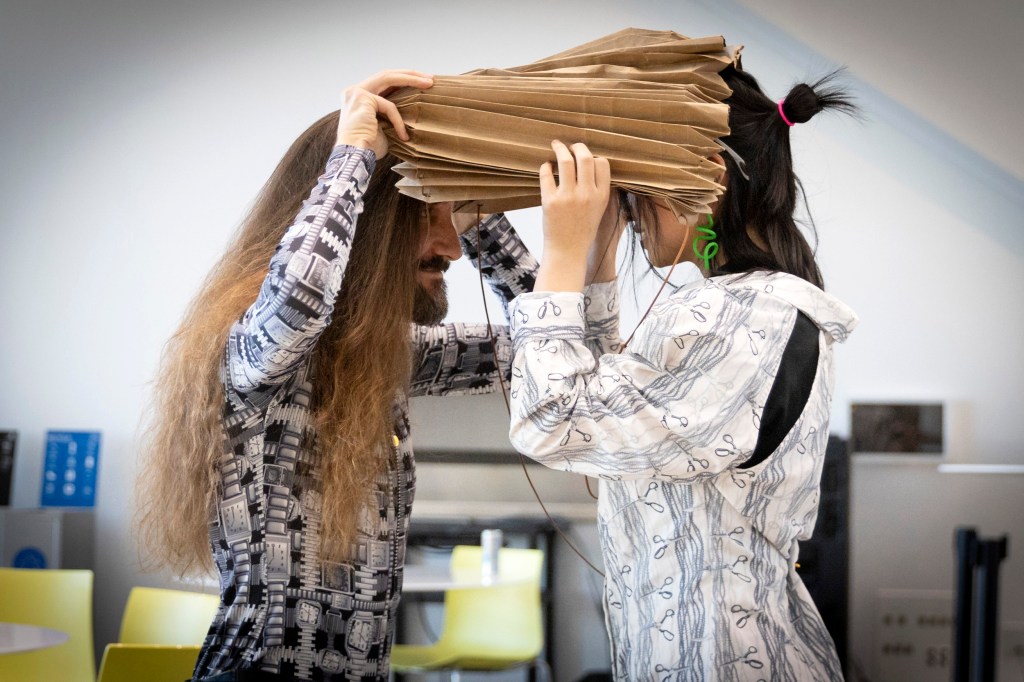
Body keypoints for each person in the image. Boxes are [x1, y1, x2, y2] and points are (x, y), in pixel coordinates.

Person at [136, 70, 537, 681]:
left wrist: (480, 215)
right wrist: (354, 154)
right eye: (421, 219)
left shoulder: (379, 357)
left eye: (448, 220)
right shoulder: (249, 350)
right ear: (369, 224)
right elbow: (298, 303)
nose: (450, 249)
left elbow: (552, 344)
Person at [507, 66, 858, 680]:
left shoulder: (746, 314)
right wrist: (594, 256)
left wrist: (561, 251)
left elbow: (553, 421)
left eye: (643, 187)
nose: (635, 209)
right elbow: (606, 405)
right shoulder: (739, 308)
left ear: (708, 181)